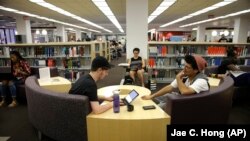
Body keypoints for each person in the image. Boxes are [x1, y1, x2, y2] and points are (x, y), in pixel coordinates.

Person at [141, 54, 209, 109]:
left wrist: (178, 78)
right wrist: (152, 96)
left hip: (190, 106)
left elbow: (185, 91)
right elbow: (170, 87)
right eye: (184, 66)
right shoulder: (186, 76)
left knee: (159, 108)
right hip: (182, 99)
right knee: (159, 97)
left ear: (196, 70)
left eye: (187, 67)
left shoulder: (201, 81)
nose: (184, 69)